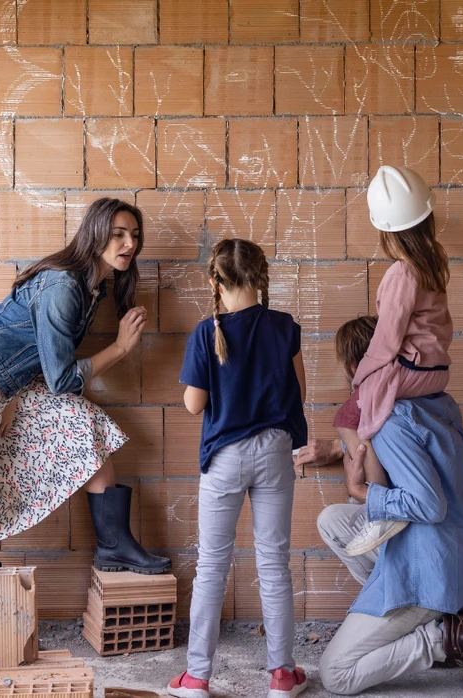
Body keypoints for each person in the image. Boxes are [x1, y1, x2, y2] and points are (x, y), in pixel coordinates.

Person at [0, 197, 171, 575]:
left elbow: (44, 357)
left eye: (135, 236)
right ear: (95, 236)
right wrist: (120, 348)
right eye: (118, 235)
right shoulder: (64, 286)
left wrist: (14, 395)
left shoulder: (92, 287)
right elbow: (61, 379)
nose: (129, 244)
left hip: (5, 382)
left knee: (84, 426)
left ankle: (114, 547)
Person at [315, 316, 463, 697]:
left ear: (357, 368)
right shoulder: (436, 403)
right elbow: (408, 462)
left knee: (334, 673)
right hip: (458, 549)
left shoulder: (390, 422)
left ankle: (452, 637)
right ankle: (404, 619)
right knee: (333, 521)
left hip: (430, 568)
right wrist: (339, 449)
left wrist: (362, 493)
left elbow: (426, 503)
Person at [166, 239, 310, 698]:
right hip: (274, 451)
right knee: (274, 565)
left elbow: (193, 406)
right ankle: (282, 676)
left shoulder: (205, 334)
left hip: (225, 457)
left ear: (214, 281)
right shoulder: (284, 327)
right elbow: (299, 392)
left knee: (212, 566)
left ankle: (196, 678)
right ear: (261, 277)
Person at [337, 165, 455, 558]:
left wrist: (362, 382)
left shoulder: (402, 273)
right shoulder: (433, 262)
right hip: (435, 371)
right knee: (363, 409)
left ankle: (380, 505)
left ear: (385, 231)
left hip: (412, 370)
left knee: (352, 415)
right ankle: (380, 495)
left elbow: (386, 343)